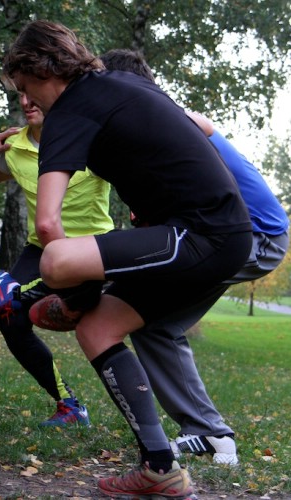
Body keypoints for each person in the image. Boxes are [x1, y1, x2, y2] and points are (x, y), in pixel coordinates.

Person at [3, 20, 253, 498]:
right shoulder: (120, 83)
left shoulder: (68, 114)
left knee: (55, 261)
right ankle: (161, 469)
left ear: (39, 70)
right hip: (214, 232)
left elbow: (49, 228)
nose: (26, 99)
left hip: (200, 233)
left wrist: (70, 294)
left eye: (24, 86)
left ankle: (80, 297)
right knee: (96, 328)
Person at [99, 48, 289, 465]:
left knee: (134, 303)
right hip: (234, 233)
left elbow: (201, 130)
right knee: (154, 325)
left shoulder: (174, 119)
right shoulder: (151, 125)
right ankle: (210, 433)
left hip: (255, 235)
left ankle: (209, 431)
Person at [0, 93, 114, 427]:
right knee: (10, 320)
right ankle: (69, 406)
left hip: (92, 249)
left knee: (95, 325)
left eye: (35, 93)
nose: (28, 101)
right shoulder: (15, 147)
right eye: (21, 94)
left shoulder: (90, 136)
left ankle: (6, 289)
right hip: (40, 247)